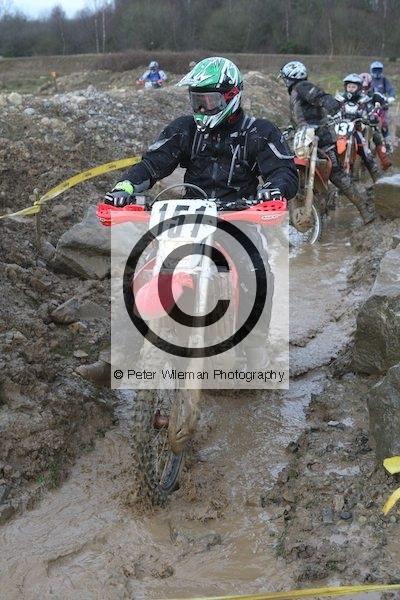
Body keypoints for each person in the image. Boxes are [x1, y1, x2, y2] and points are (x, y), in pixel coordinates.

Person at [78, 56, 298, 384]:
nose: (203, 107)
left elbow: (284, 171)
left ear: (231, 96)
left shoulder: (259, 132)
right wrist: (125, 187)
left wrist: (274, 190)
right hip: (190, 217)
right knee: (141, 271)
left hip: (238, 215)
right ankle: (115, 360)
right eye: (197, 100)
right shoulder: (185, 129)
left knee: (257, 269)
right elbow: (152, 163)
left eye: (210, 100)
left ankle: (255, 350)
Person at [279, 61, 375, 224]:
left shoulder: (302, 86)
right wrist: (290, 127)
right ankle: (310, 203)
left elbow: (321, 97)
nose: (284, 80)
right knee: (297, 168)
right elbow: (299, 118)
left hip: (321, 138)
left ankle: (365, 210)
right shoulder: (295, 92)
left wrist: (335, 109)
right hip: (306, 138)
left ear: (290, 77)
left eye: (285, 77)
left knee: (336, 173)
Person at [335, 73, 381, 181]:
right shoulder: (340, 99)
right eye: (349, 86)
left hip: (355, 129)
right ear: (345, 87)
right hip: (339, 131)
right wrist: (328, 116)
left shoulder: (364, 100)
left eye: (353, 87)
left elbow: (370, 112)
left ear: (359, 88)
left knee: (365, 151)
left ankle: (377, 179)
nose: (351, 89)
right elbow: (331, 110)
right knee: (329, 147)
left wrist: (372, 117)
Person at [359, 72, 392, 170]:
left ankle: (384, 160)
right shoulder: (355, 96)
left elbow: (384, 102)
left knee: (377, 138)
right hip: (357, 123)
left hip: (371, 123)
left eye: (366, 87)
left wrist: (383, 105)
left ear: (370, 85)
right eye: (362, 87)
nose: (364, 89)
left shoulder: (375, 95)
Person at [369, 61, 396, 150]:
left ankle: (387, 143)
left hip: (382, 106)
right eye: (375, 70)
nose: (377, 72)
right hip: (370, 105)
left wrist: (391, 97)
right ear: (371, 70)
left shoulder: (384, 80)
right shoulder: (369, 80)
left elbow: (391, 89)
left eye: (379, 70)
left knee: (384, 123)